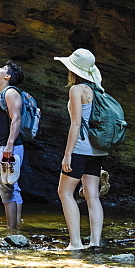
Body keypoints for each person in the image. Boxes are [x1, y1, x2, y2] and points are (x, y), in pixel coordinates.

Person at [53, 48, 108, 250]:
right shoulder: (97, 89)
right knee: (92, 195)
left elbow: (76, 124)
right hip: (97, 150)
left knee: (64, 192)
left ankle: (75, 243)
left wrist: (67, 154)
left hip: (81, 149)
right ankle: (94, 243)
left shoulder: (76, 90)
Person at [0, 61, 24, 231]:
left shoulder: (11, 93)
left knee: (7, 189)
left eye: (2, 69)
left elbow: (16, 119)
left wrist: (9, 146)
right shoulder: (0, 95)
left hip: (10, 146)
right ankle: (16, 229)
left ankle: (11, 231)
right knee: (12, 187)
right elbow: (2, 125)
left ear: (7, 77)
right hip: (2, 146)